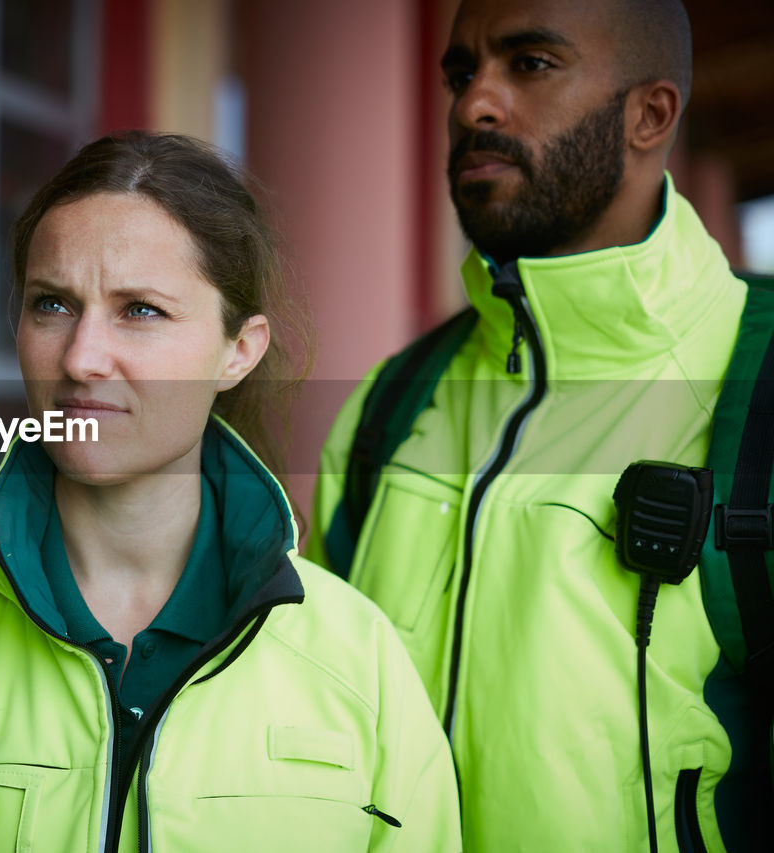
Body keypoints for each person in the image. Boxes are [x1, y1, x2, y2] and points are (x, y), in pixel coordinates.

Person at [0, 131, 461, 851]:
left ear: (238, 351)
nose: (81, 357)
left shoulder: (360, 660)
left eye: (140, 310)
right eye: (52, 304)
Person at [308, 0, 766, 850]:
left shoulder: (759, 382)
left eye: (531, 64)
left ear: (650, 115)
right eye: (460, 73)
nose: (473, 104)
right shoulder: (387, 402)